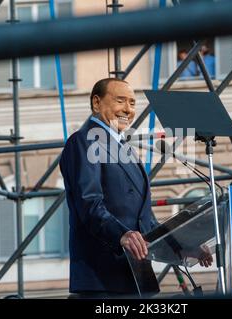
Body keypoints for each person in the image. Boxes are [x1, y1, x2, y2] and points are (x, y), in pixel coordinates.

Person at [59, 78, 160, 298]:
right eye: (120, 101)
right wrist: (121, 234)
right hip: (102, 277)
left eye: (132, 103)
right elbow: (89, 203)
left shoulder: (123, 147)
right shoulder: (83, 141)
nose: (128, 109)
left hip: (135, 274)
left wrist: (184, 245)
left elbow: (145, 218)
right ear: (97, 103)